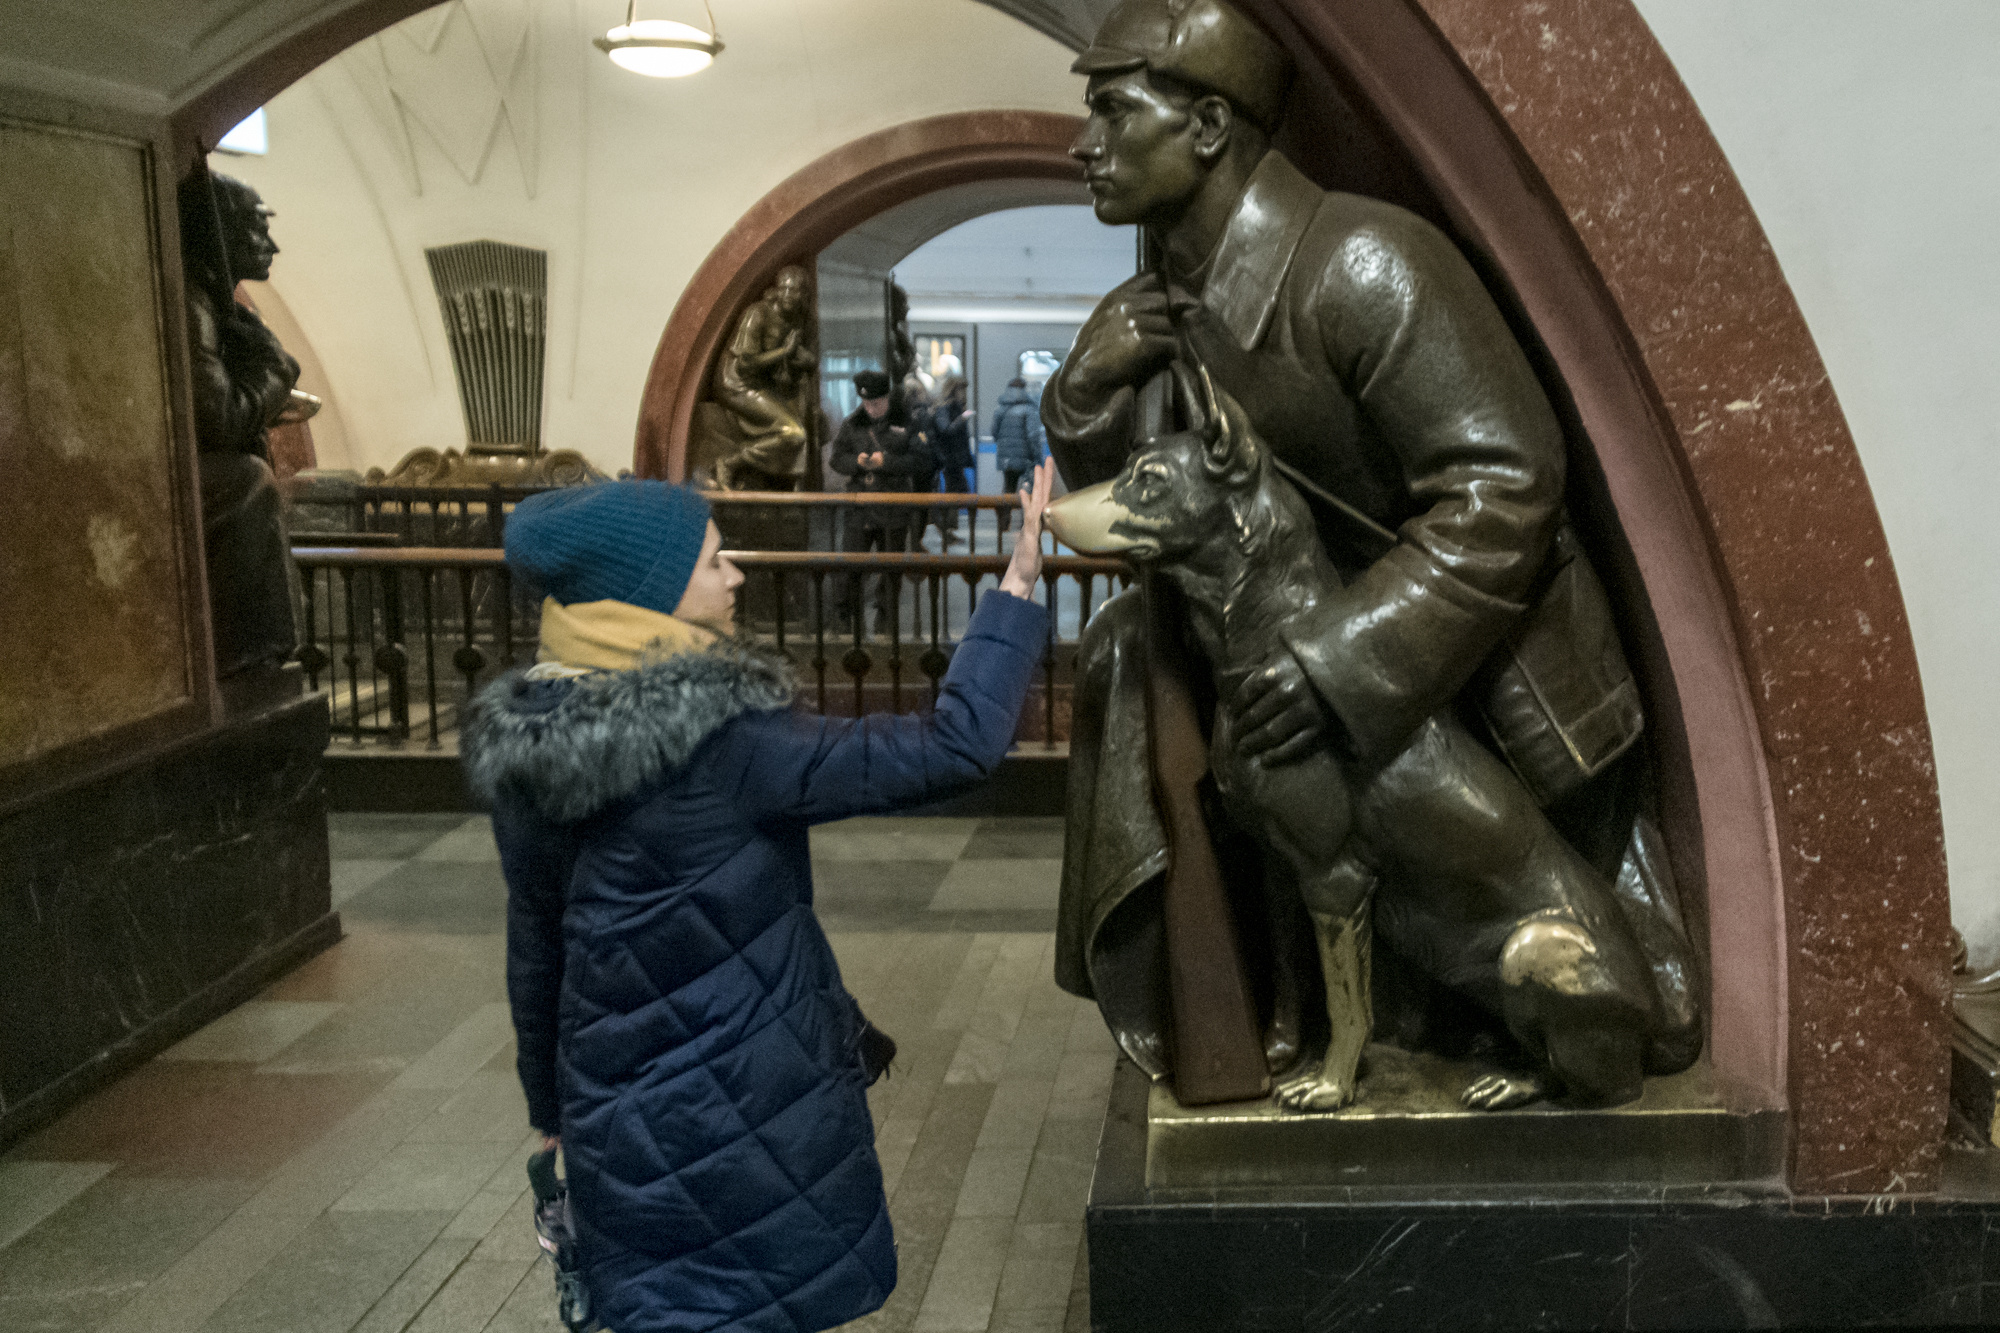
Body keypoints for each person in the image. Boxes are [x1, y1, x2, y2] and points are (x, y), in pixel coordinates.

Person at [1045, 0, 1677, 1111]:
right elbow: (1157, 492)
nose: (1081, 142)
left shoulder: (1365, 264)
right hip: (1286, 693)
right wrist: (1083, 390)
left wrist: (1336, 661)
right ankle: (1273, 1021)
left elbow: (1503, 487)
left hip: (1464, 690)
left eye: (1109, 108)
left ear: (1204, 125)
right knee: (1120, 664)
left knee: (1505, 932)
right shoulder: (1161, 306)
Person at [463, 462, 1057, 1333]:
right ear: (648, 598)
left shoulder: (530, 748)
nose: (734, 574)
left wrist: (550, 1114)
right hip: (749, 1109)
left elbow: (537, 942)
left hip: (617, 1120)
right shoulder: (732, 741)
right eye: (711, 561)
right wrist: (1017, 585)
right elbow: (954, 743)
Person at [182, 169, 302, 678]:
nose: (270, 243)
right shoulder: (190, 304)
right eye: (255, 227)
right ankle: (255, 659)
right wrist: (275, 370)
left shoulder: (213, 301)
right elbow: (222, 421)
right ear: (215, 232)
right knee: (246, 481)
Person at [828, 369, 935, 632]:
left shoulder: (907, 423)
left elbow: (923, 461)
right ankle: (845, 619)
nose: (871, 408)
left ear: (887, 398)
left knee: (890, 570)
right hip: (860, 509)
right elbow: (836, 458)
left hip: (893, 509)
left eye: (876, 403)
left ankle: (885, 620)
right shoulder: (853, 423)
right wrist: (857, 462)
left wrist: (887, 462)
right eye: (866, 403)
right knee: (851, 567)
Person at [708, 266, 817, 490]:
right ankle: (730, 463)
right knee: (793, 432)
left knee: (810, 420)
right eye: (784, 289)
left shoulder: (798, 319)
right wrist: (785, 353)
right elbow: (746, 362)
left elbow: (795, 356)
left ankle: (789, 483)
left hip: (766, 384)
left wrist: (805, 360)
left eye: (795, 291)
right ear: (776, 290)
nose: (788, 295)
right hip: (737, 384)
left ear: (803, 295)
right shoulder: (757, 313)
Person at [990, 375, 1045, 527]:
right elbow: (1033, 435)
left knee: (1008, 489)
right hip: (1026, 457)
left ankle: (1003, 523)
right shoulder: (1029, 409)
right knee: (1027, 490)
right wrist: (1037, 458)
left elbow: (994, 432)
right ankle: (1025, 523)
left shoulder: (1000, 408)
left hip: (1006, 458)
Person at [930, 375, 975, 543]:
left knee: (957, 492)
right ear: (953, 390)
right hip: (949, 459)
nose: (963, 394)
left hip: (955, 459)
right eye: (961, 390)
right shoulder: (945, 408)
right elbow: (946, 429)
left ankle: (947, 529)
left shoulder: (954, 407)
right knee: (954, 493)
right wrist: (962, 419)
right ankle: (943, 527)